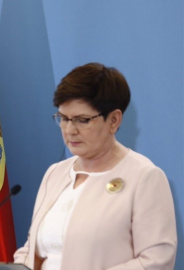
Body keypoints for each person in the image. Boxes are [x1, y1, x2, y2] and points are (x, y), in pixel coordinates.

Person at [14, 62, 177, 269]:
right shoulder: (55, 173)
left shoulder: (145, 177)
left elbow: (156, 261)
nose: (70, 130)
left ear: (114, 120)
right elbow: (32, 249)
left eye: (82, 120)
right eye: (63, 118)